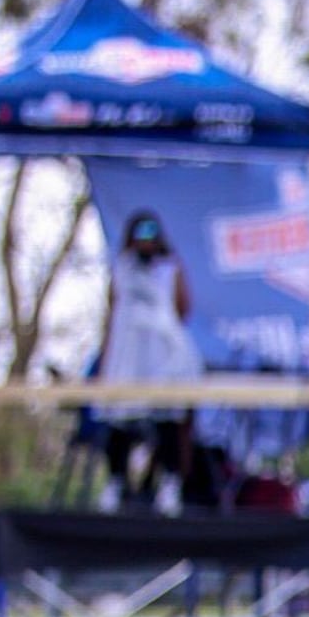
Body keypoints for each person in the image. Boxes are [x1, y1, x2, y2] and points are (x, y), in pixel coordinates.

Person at [96, 209, 202, 508]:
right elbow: (111, 310)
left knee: (167, 421)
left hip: (163, 359)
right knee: (119, 423)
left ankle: (169, 485)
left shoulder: (171, 268)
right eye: (139, 233)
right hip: (126, 359)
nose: (145, 241)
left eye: (150, 233)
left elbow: (183, 310)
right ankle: (116, 484)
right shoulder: (121, 268)